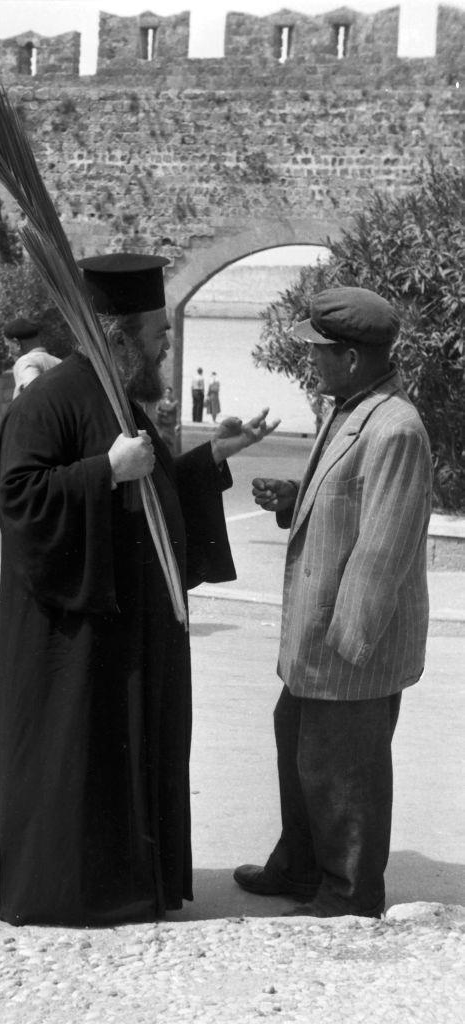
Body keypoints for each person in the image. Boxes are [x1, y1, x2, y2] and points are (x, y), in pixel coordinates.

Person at [0, 252, 279, 927]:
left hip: (130, 633)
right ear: (120, 338)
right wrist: (103, 472)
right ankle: (75, 893)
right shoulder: (48, 402)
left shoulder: (124, 403)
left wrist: (210, 458)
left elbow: (155, 489)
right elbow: (20, 501)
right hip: (76, 642)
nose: (167, 346)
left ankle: (129, 883)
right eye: (158, 334)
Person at [233, 286, 432, 919]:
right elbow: (348, 502)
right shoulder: (352, 409)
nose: (310, 362)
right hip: (319, 641)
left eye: (319, 352)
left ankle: (348, 896)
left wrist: (348, 656)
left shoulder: (395, 428)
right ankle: (298, 867)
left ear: (350, 358)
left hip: (349, 645)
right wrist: (297, 500)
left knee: (344, 770)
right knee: (298, 743)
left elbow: (383, 550)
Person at [4, 315, 62, 399]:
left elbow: (35, 394)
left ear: (17, 344)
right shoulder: (58, 362)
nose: (9, 354)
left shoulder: (26, 361)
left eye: (8, 347)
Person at [156, 385, 180, 453]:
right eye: (166, 392)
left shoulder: (175, 402)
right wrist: (161, 413)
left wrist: (178, 424)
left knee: (171, 442)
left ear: (171, 393)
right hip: (163, 425)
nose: (167, 394)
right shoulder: (161, 402)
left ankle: (172, 456)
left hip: (171, 425)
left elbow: (177, 414)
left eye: (169, 392)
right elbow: (157, 410)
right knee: (163, 441)